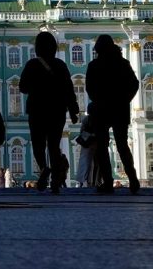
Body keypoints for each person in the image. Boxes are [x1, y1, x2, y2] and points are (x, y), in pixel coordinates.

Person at [20, 32, 79, 194]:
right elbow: (69, 89)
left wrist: (36, 87)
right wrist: (74, 111)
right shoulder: (60, 65)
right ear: (54, 47)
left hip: (37, 109)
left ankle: (44, 168)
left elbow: (22, 87)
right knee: (54, 145)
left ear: (37, 48)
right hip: (57, 110)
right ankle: (54, 181)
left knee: (38, 144)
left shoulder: (32, 64)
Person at [86, 34, 140, 194]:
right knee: (122, 145)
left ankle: (108, 182)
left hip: (101, 110)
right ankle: (133, 179)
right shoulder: (123, 64)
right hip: (120, 109)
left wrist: (98, 100)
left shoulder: (94, 65)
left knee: (102, 147)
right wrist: (125, 99)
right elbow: (134, 84)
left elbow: (89, 88)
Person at [76, 103, 99, 188]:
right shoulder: (94, 120)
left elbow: (82, 131)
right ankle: (91, 181)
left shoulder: (86, 119)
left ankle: (84, 181)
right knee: (92, 164)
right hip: (92, 144)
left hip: (87, 144)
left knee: (85, 163)